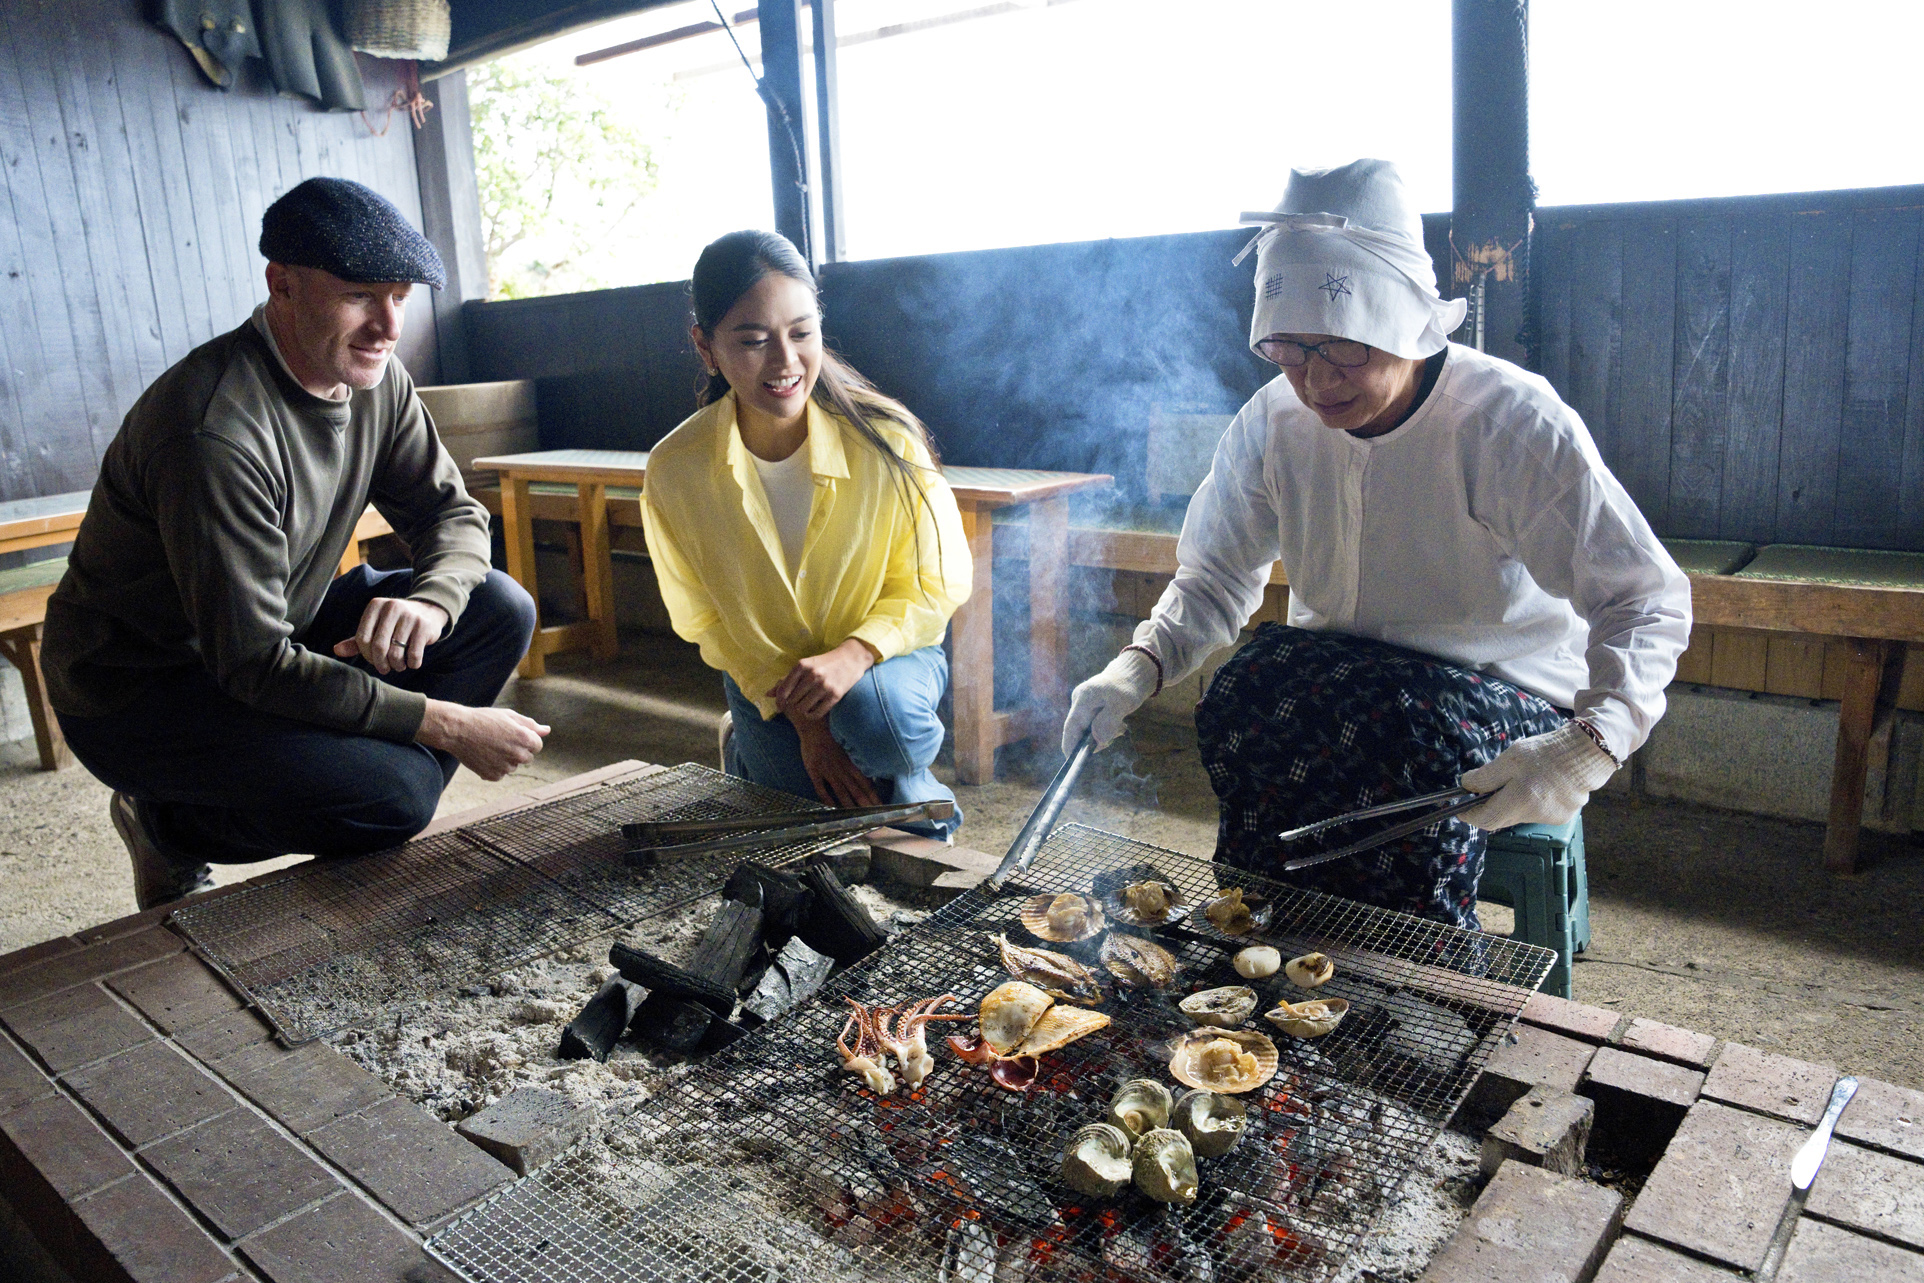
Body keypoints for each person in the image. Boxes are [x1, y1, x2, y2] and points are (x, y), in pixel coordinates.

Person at [1063, 159, 1691, 929]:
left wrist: (1589, 742)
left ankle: (1409, 982)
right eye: (1289, 351)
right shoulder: (1271, 424)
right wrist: (1136, 668)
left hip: (1500, 683)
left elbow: (1646, 596)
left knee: (1396, 732)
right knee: (1246, 693)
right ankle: (1256, 949)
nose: (1315, 381)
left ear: (1403, 321)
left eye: (1342, 349)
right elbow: (1216, 577)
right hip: (1342, 681)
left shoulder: (1507, 422)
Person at [43, 177, 547, 910]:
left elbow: (455, 515)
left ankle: (355, 770)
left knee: (497, 607)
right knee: (396, 798)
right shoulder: (214, 430)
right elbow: (252, 664)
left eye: (400, 296)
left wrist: (433, 604)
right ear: (282, 283)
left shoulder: (378, 380)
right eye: (358, 296)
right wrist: (447, 723)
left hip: (274, 631)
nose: (387, 324)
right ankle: (164, 825)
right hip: (141, 687)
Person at [641, 230, 970, 839]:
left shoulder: (886, 439)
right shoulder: (675, 469)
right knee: (806, 820)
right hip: (771, 674)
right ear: (706, 347)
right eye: (752, 341)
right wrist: (808, 726)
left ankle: (918, 797)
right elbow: (706, 619)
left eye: (801, 332)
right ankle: (753, 744)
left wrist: (854, 655)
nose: (785, 362)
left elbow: (934, 583)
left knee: (880, 727)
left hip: (885, 658)